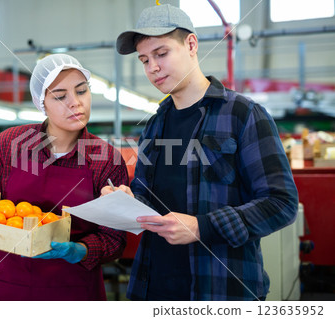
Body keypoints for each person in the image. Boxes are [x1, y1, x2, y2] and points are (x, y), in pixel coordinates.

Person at [101, 4, 299, 301]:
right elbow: (150, 200)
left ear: (191, 44)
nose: (152, 67)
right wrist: (129, 202)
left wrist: (202, 227)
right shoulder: (153, 127)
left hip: (219, 290)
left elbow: (281, 203)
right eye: (144, 60)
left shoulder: (243, 115)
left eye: (161, 54)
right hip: (152, 290)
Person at [0, 54, 129, 301]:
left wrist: (79, 250)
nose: (75, 103)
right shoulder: (9, 145)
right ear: (41, 102)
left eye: (81, 91)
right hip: (8, 285)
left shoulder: (107, 159)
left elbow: (114, 238)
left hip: (75, 289)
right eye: (60, 96)